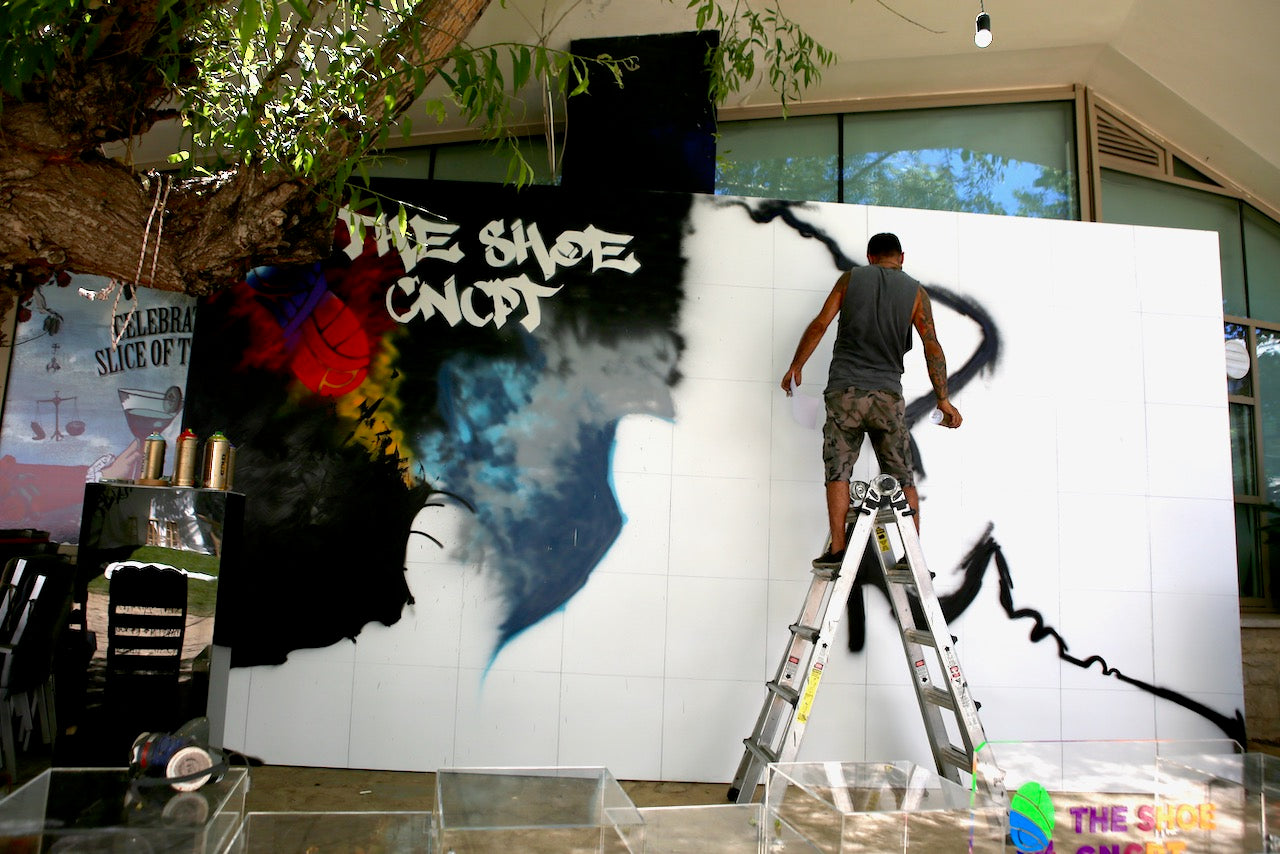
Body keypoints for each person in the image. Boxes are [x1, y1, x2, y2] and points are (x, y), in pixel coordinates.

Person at [780, 232, 961, 568]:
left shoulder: (850, 279)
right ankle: (911, 556)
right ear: (901, 257)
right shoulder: (916, 292)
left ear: (869, 257)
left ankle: (838, 550)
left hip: (844, 394)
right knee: (902, 477)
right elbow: (931, 345)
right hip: (887, 398)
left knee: (838, 471)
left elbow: (820, 324)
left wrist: (796, 366)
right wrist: (944, 399)